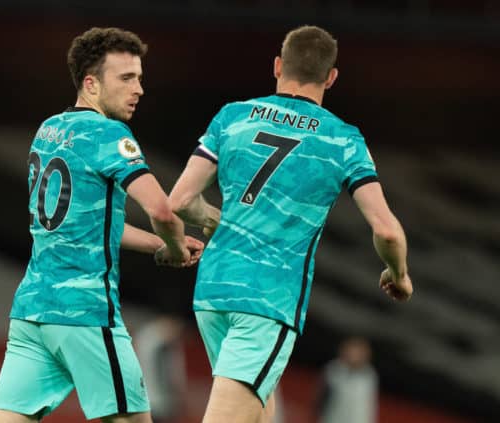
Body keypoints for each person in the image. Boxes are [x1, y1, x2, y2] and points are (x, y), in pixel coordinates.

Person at [168, 25, 413, 423]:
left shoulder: (232, 117)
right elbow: (386, 230)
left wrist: (217, 221)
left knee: (260, 413)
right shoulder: (342, 140)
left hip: (212, 292)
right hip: (267, 303)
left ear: (278, 66)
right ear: (331, 78)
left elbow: (179, 200)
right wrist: (398, 272)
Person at [0, 27, 203, 423]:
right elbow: (162, 210)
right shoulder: (108, 133)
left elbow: (95, 225)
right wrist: (173, 250)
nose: (138, 89)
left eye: (139, 78)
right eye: (126, 78)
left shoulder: (47, 130)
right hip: (85, 312)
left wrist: (158, 246)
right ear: (90, 83)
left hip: (32, 314)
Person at [316, 337, 378, 423]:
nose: (353, 355)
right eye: (351, 351)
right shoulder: (333, 370)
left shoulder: (369, 377)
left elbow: (368, 408)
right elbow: (320, 398)